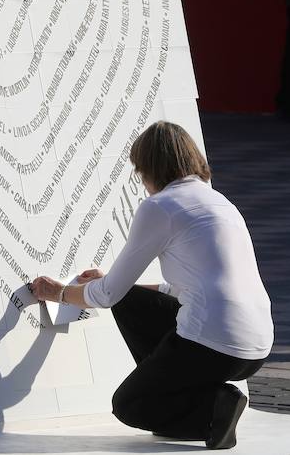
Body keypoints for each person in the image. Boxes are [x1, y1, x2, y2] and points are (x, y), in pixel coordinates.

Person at [30, 121, 273, 450]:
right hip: (256, 346)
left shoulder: (160, 207)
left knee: (128, 405)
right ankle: (191, 401)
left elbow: (104, 296)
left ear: (149, 169)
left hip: (213, 344)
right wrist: (116, 285)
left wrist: (57, 292)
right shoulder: (220, 203)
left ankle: (213, 408)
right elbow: (167, 288)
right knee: (130, 300)